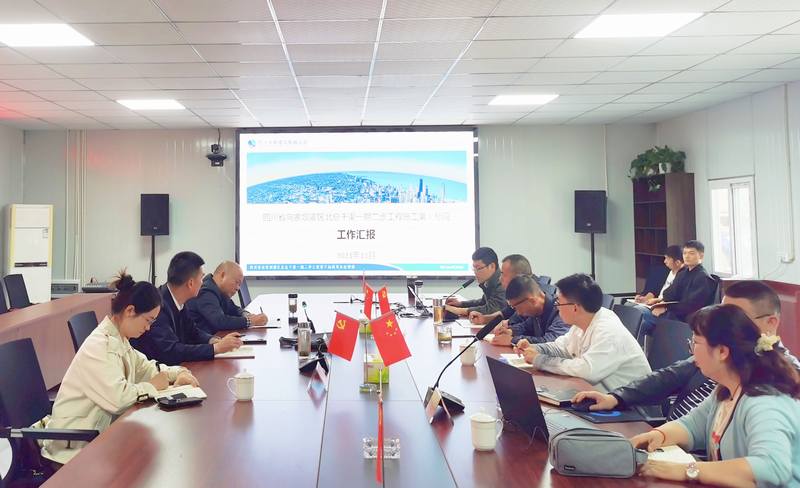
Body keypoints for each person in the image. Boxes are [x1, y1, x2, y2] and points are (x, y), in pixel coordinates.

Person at [573, 280, 800, 420]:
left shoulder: (785, 376)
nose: (720, 324)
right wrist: (615, 398)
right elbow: (668, 377)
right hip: (674, 438)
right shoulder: (716, 352)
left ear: (771, 323)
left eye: (734, 317)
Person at [630, 304, 800, 486]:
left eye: (695, 343)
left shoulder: (764, 401)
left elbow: (771, 467)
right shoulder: (726, 389)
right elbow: (691, 426)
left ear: (722, 351)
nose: (691, 351)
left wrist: (688, 470)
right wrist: (659, 435)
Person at [40, 272, 200, 464]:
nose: (148, 328)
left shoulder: (120, 340)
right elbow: (118, 399)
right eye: (148, 320)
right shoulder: (100, 346)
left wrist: (178, 373)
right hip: (73, 450)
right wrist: (152, 386)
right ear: (130, 310)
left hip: (98, 439)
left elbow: (146, 368)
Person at [515, 273, 651, 392]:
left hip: (631, 406)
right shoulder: (583, 322)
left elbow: (586, 371)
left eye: (558, 302)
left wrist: (539, 360)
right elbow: (561, 347)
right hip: (601, 394)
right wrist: (535, 348)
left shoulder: (608, 331)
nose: (556, 307)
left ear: (575, 308)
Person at [131, 251, 242, 365]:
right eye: (201, 278)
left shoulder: (179, 300)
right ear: (190, 283)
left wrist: (213, 340)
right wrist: (215, 348)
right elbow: (171, 351)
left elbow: (193, 331)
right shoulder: (158, 306)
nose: (203, 282)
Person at [641, 240, 717, 334]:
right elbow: (668, 294)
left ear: (701, 256)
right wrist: (663, 305)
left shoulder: (703, 277)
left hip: (685, 319)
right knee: (640, 315)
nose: (687, 256)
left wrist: (666, 308)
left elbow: (691, 305)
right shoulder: (683, 273)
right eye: (685, 253)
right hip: (673, 314)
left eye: (691, 253)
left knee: (642, 320)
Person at [467, 253, 554, 326]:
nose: (500, 279)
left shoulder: (532, 296)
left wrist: (509, 327)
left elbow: (521, 325)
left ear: (518, 277)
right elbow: (506, 313)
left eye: (503, 274)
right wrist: (484, 319)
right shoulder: (519, 292)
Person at [186, 261, 268, 334]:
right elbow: (219, 321)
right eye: (237, 282)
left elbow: (234, 309)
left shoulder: (218, 290)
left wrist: (247, 315)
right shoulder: (206, 291)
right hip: (201, 343)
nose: (238, 288)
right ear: (223, 275)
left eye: (239, 285)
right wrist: (250, 321)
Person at [489, 275, 569, 346]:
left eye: (517, 308)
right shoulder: (536, 311)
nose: (518, 313)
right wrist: (511, 331)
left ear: (532, 301)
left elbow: (551, 342)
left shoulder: (561, 310)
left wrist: (512, 340)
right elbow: (526, 327)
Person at [444, 247, 506, 317]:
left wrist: (459, 310)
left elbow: (494, 309)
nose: (475, 272)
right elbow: (483, 302)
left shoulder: (503, 281)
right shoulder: (490, 281)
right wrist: (461, 304)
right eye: (474, 268)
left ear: (492, 266)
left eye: (478, 268)